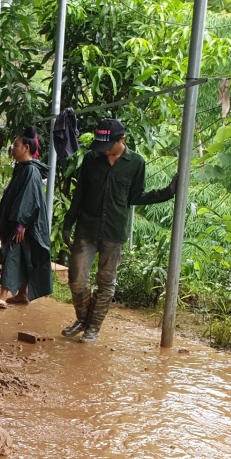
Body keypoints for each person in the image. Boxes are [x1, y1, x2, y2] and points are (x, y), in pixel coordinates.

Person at [61, 118, 177, 342]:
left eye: (108, 146)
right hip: (87, 228)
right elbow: (80, 194)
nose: (103, 151)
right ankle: (83, 319)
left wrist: (166, 192)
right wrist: (68, 222)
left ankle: (93, 326)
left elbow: (136, 196)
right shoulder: (91, 159)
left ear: (122, 139)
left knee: (106, 281)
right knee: (77, 280)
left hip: (114, 233)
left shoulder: (136, 163)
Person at [0, 128, 52, 309]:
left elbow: (30, 199)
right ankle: (22, 294)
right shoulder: (22, 169)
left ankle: (3, 296)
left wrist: (22, 223)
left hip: (23, 224)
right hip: (18, 222)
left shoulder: (31, 172)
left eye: (16, 145)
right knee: (23, 257)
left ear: (26, 147)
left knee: (11, 255)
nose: (12, 148)